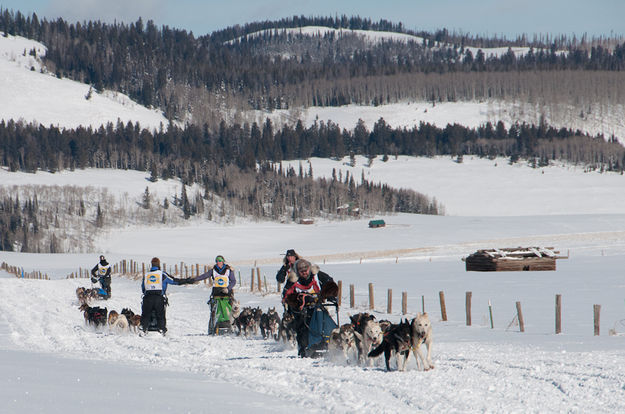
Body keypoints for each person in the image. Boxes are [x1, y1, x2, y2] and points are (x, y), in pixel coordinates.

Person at [283, 259, 338, 357]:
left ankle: (329, 341)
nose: (304, 272)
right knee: (302, 325)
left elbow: (331, 286)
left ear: (309, 269)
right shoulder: (293, 281)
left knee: (326, 319)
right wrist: (299, 299)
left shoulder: (319, 276)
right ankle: (304, 347)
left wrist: (329, 296)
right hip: (302, 310)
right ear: (297, 272)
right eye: (301, 271)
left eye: (306, 270)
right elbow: (287, 296)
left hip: (321, 306)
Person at [141, 257, 192, 335]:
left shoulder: (146, 275)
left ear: (151, 265)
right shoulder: (162, 274)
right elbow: (174, 281)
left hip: (148, 298)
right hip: (159, 298)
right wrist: (186, 281)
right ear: (159, 265)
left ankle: (144, 328)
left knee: (145, 314)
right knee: (160, 314)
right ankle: (161, 329)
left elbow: (143, 287)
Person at [187, 255, 237, 334]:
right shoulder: (213, 270)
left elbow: (233, 281)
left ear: (223, 261)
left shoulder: (228, 270)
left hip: (227, 293)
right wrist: (194, 279)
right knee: (214, 311)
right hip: (216, 293)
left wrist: (228, 288)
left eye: (219, 261)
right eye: (217, 261)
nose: (218, 262)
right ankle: (212, 328)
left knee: (230, 310)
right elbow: (204, 276)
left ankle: (232, 326)